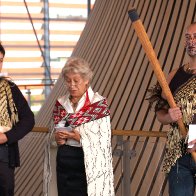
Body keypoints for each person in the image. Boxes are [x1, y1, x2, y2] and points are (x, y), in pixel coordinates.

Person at [51, 57, 114, 196]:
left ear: (86, 80)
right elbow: (55, 134)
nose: (71, 85)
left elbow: (104, 140)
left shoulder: (98, 104)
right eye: (68, 81)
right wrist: (58, 139)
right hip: (64, 160)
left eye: (76, 80)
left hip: (87, 162)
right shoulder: (61, 103)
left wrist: (79, 137)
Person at [148, 22, 196, 196]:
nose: (191, 41)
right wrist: (169, 116)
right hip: (178, 155)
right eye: (188, 37)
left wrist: (194, 137)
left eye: (195, 36)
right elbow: (159, 112)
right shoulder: (174, 75)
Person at [0, 43, 35, 196]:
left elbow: (28, 119)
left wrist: (7, 136)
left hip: (4, 153)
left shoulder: (11, 88)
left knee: (6, 190)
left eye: (0, 60)